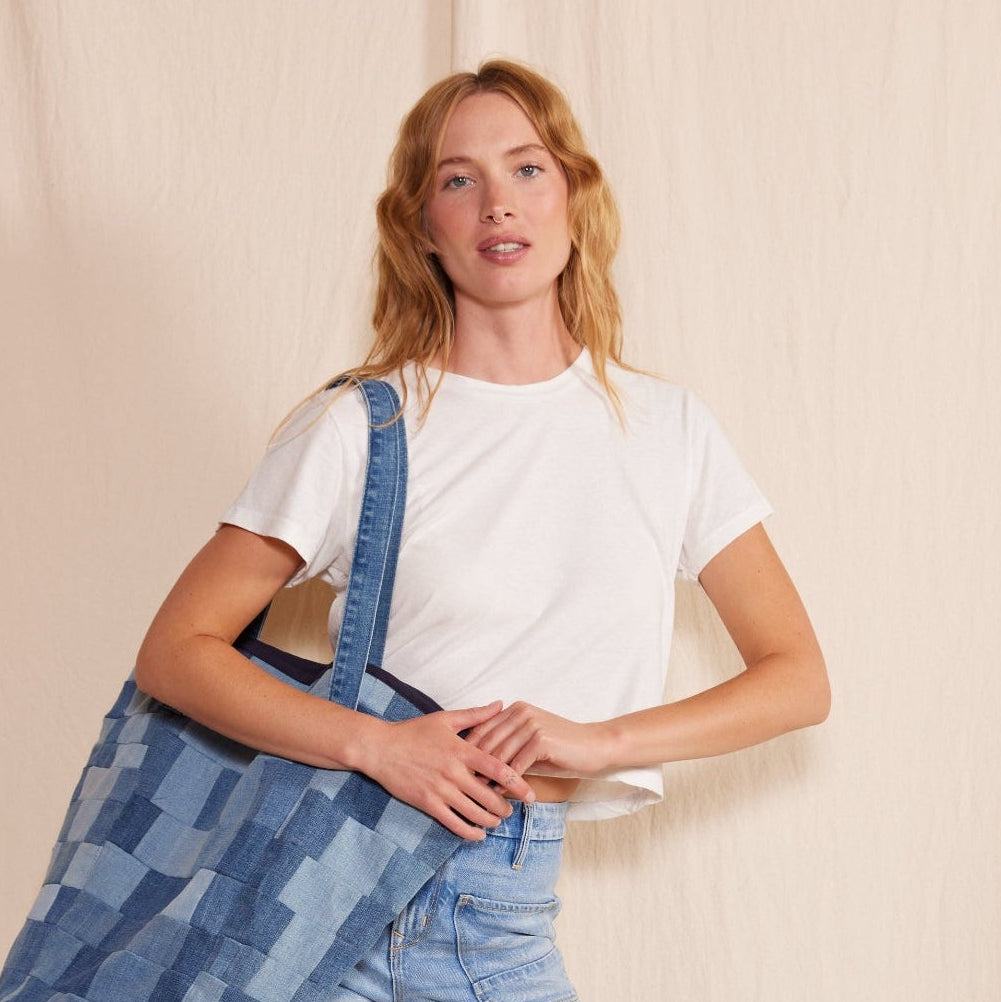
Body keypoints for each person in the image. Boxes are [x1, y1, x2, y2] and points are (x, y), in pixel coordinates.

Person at [135, 59, 830, 1001]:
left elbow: (796, 679)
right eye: (458, 180)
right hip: (326, 901)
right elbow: (175, 652)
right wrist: (377, 745)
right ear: (423, 227)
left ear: (575, 198)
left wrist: (602, 742)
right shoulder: (362, 426)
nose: (497, 202)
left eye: (527, 169)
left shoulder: (666, 430)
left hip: (498, 909)